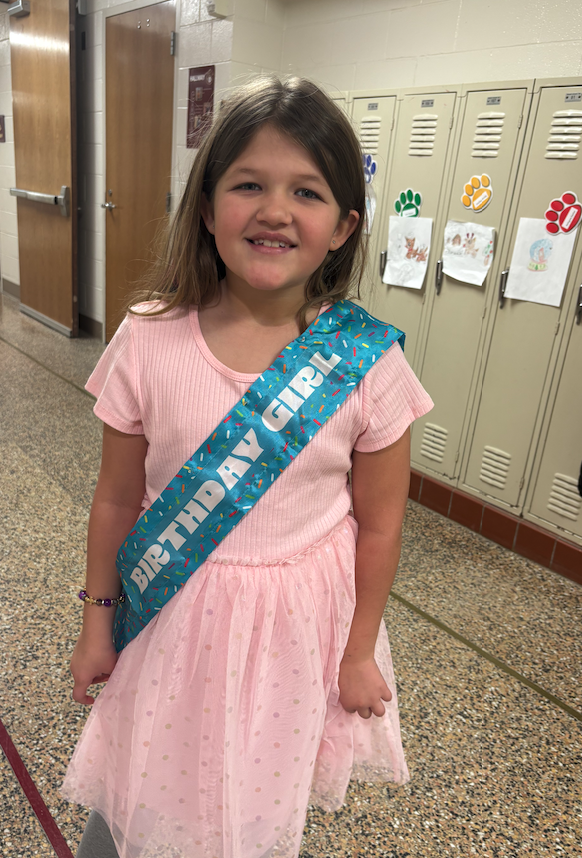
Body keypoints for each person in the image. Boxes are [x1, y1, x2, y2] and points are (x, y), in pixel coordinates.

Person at [62, 76, 433, 858]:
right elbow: (116, 500)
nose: (275, 210)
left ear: (343, 227)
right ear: (206, 209)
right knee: (144, 777)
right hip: (172, 617)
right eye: (248, 185)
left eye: (307, 191)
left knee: (256, 795)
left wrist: (358, 651)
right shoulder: (147, 338)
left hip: (293, 631)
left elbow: (381, 525)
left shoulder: (367, 363)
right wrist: (98, 620)